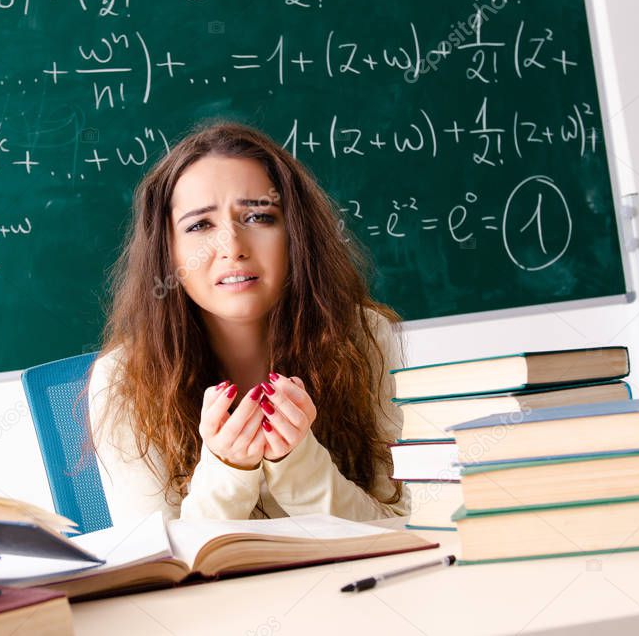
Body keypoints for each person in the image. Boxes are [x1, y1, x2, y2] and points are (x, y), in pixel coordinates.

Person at [85, 121, 409, 526]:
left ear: (296, 234)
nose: (232, 248)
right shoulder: (123, 378)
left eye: (258, 217)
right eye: (200, 225)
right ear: (167, 253)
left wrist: (298, 462)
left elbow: (393, 527)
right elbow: (161, 563)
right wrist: (227, 471)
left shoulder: (363, 337)